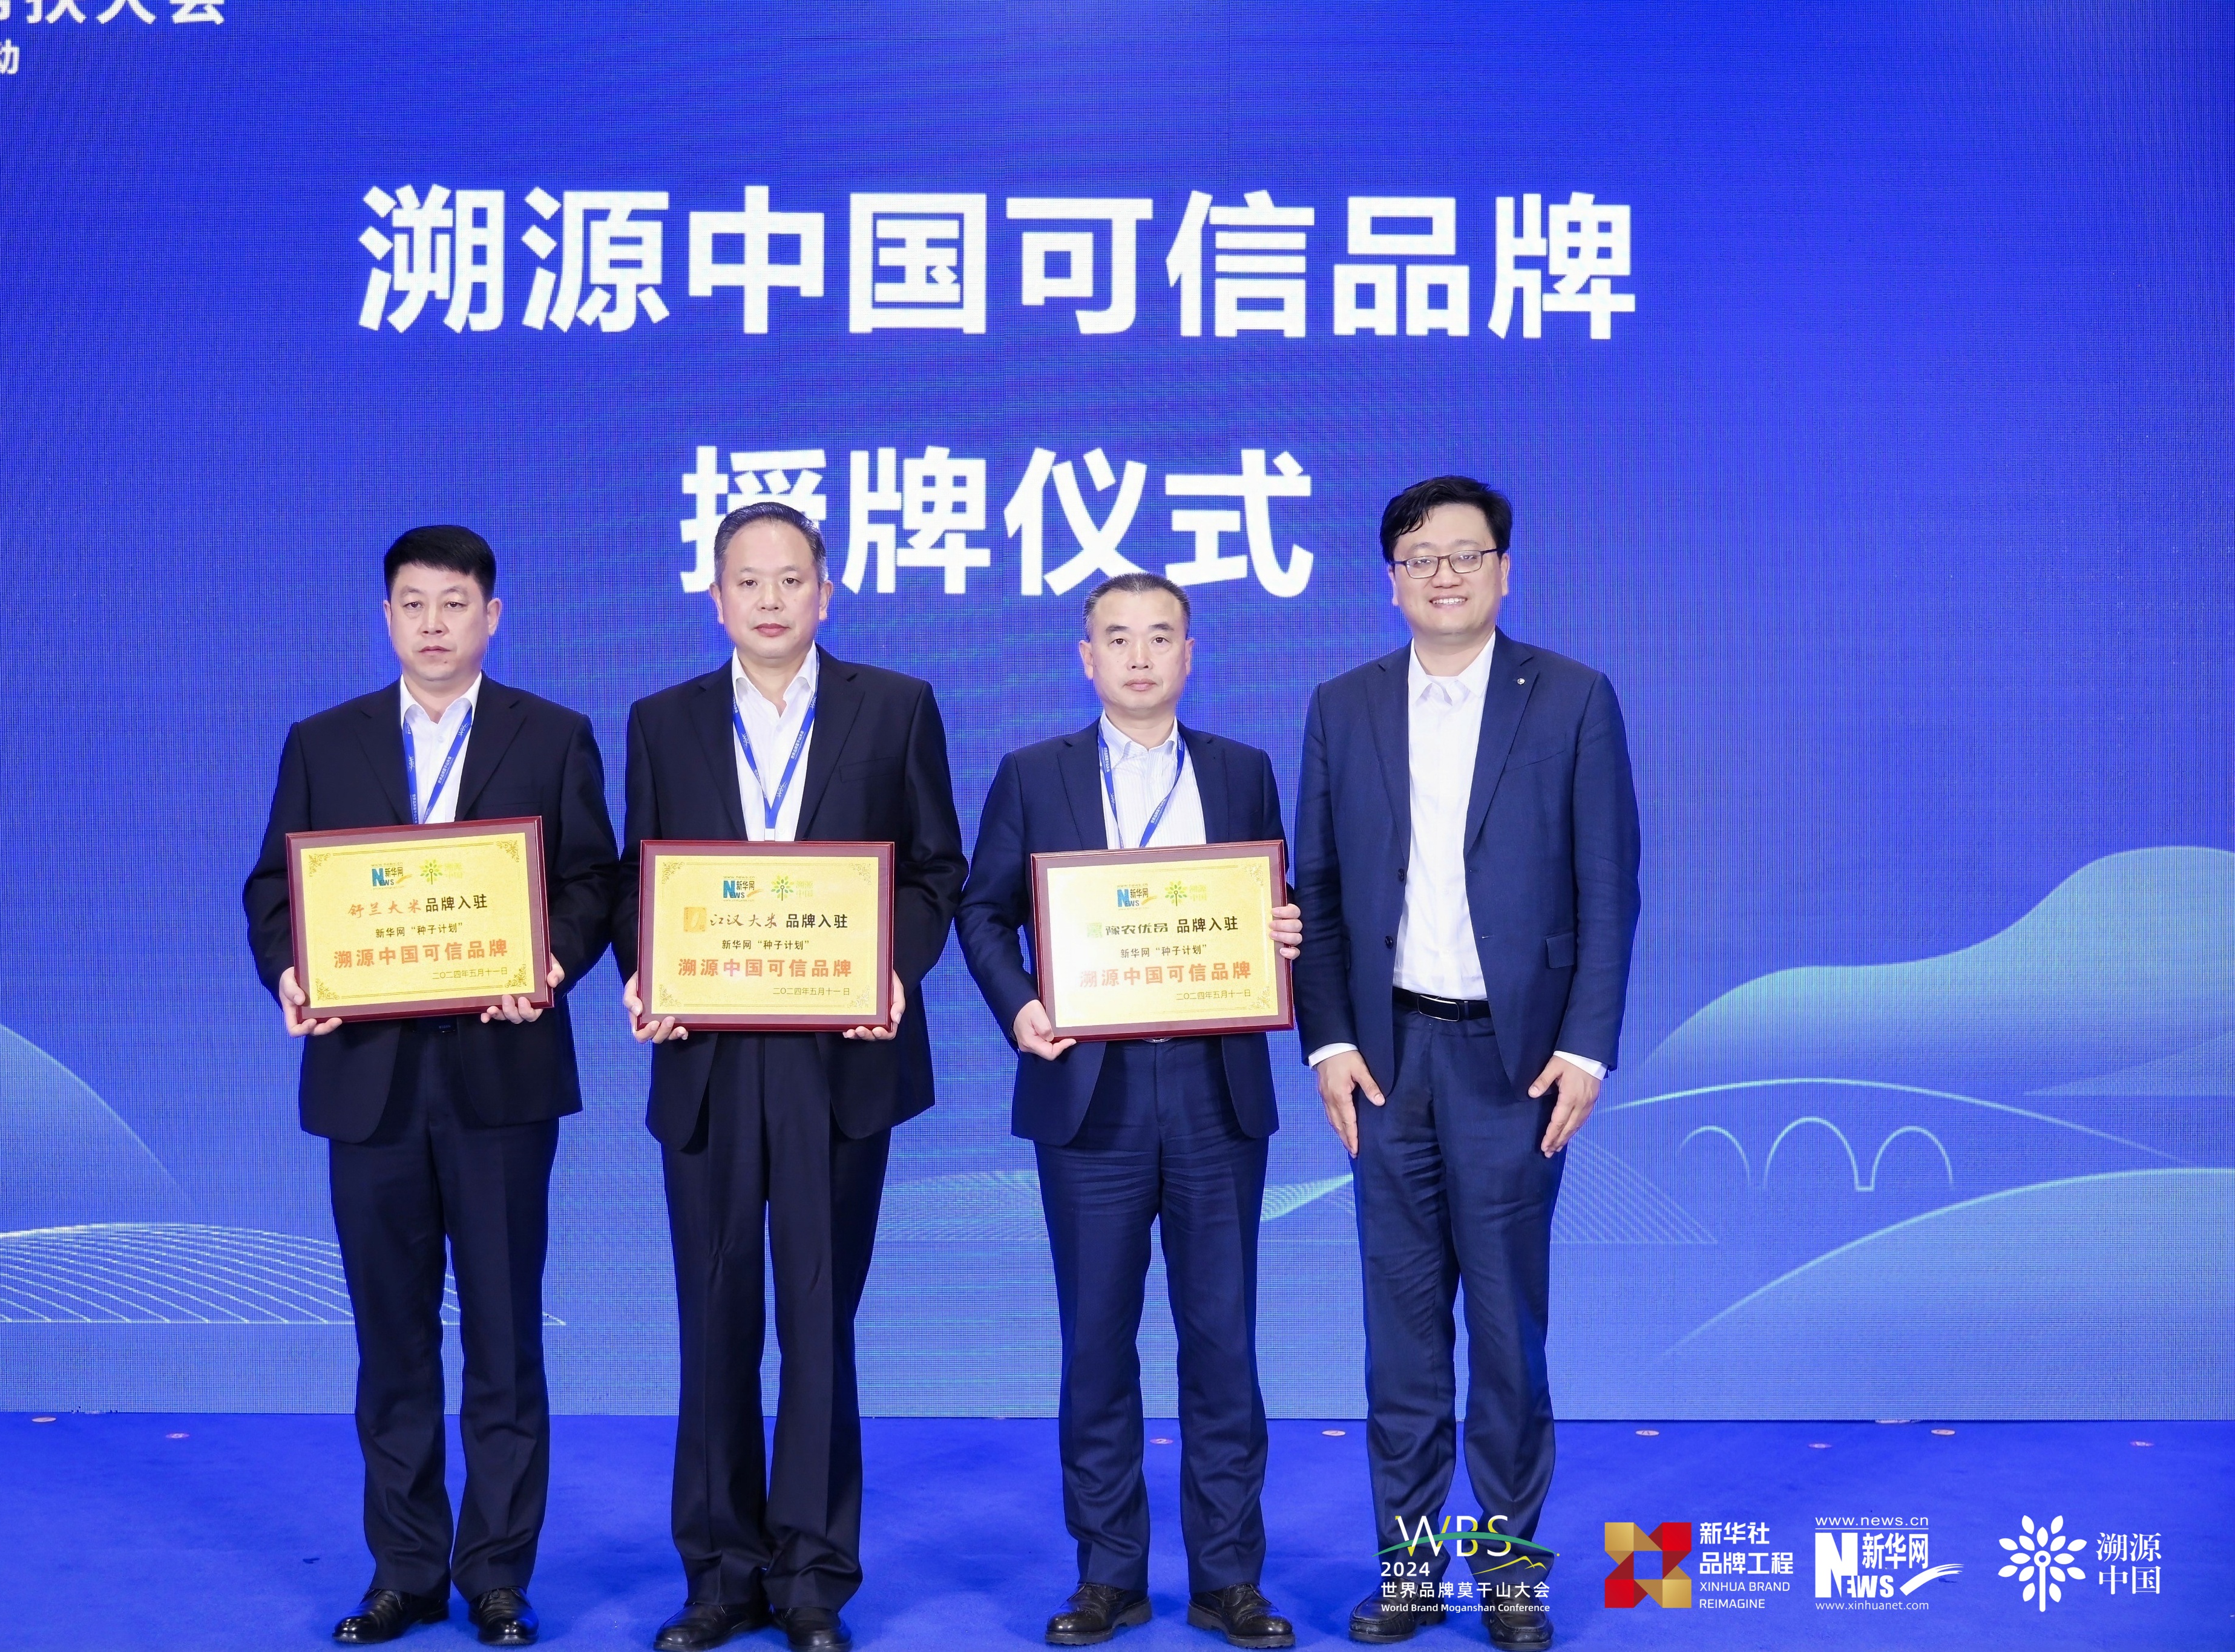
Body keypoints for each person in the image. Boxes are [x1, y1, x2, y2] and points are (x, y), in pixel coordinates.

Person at [244, 526, 621, 1647]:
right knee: (391, 1339)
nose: (434, 624)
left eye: (455, 603)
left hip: (502, 1073)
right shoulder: (326, 741)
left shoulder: (553, 735)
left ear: (492, 616)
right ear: (387, 616)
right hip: (369, 1081)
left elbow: (593, 881)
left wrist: (550, 961)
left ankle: (497, 1573)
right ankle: (403, 1571)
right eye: (412, 604)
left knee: (505, 1338)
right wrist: (292, 970)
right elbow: (275, 889)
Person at [1293, 478, 1639, 1650]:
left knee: (1506, 1335)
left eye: (1466, 554)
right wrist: (1331, 1040)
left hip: (1515, 1063)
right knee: (1400, 1339)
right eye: (1420, 558)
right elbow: (1318, 893)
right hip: (1387, 1060)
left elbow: (1610, 888)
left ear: (1504, 570)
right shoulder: (1343, 705)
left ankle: (1508, 1572)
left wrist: (1585, 1047)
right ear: (1391, 580)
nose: (1444, 575)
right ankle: (1410, 1569)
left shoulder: (1573, 698)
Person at [614, 501, 966, 1652]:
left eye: (791, 579)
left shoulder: (896, 706)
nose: (770, 599)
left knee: (820, 1319)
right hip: (710, 1058)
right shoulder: (662, 721)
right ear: (715, 598)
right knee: (713, 1314)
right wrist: (643, 969)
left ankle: (813, 1575)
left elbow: (936, 869)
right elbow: (637, 881)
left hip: (840, 1058)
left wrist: (893, 969)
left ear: (827, 590)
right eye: (747, 581)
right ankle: (719, 1573)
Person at [957, 572, 1305, 1651]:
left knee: (1223, 1342)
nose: (1140, 656)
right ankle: (1109, 1573)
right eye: (1118, 638)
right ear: (1087, 656)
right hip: (1089, 1095)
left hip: (1213, 1089)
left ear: (1190, 654)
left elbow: (1274, 906)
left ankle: (1228, 1578)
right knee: (1097, 1343)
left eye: (1161, 637)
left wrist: (1285, 930)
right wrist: (1020, 1006)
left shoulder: (1243, 771)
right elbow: (981, 911)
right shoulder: (1034, 773)